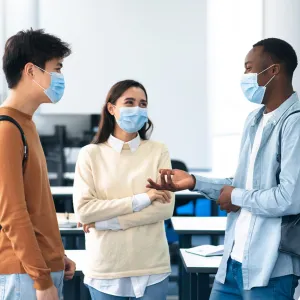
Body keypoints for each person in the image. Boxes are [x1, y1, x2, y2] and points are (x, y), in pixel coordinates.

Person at [147, 38, 300, 299]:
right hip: (232, 261)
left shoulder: (294, 123)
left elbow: (289, 198)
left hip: (269, 269)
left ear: (273, 70)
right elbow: (241, 183)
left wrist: (236, 196)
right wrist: (194, 182)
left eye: (249, 68)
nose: (245, 76)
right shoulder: (254, 119)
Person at [73, 80, 175, 300]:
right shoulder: (90, 154)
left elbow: (164, 209)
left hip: (151, 264)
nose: (137, 109)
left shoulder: (158, 151)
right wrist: (143, 199)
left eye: (142, 104)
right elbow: (84, 211)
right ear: (111, 108)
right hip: (105, 265)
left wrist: (106, 222)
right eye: (129, 102)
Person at [0, 29, 76, 300]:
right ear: (31, 71)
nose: (61, 78)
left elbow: (37, 204)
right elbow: (12, 214)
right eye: (57, 69)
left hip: (40, 268)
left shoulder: (26, 123)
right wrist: (42, 280)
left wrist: (58, 255)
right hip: (25, 275)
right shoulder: (7, 129)